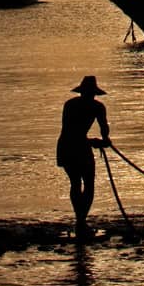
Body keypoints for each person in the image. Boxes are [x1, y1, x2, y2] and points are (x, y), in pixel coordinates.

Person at [56, 75, 110, 237]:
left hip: (70, 146)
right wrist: (96, 141)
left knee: (80, 183)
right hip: (73, 146)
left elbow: (103, 128)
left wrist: (103, 139)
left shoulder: (75, 105)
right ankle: (80, 221)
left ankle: (80, 221)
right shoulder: (92, 107)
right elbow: (71, 131)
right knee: (83, 183)